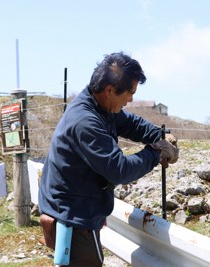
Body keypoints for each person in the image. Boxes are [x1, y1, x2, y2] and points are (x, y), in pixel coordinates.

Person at [38, 52, 179, 266]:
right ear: (110, 90)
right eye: (129, 93)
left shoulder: (100, 105)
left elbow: (130, 123)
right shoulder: (85, 121)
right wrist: (156, 153)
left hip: (76, 211)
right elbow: (119, 169)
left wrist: (160, 135)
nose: (131, 99)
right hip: (73, 220)